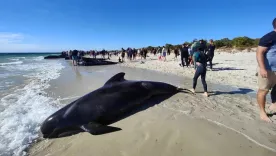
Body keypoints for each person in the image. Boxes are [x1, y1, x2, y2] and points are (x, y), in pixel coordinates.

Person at [256, 17, 276, 122]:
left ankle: (274, 105)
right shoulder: (269, 37)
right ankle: (262, 113)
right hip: (268, 70)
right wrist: (262, 68)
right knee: (263, 91)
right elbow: (259, 53)